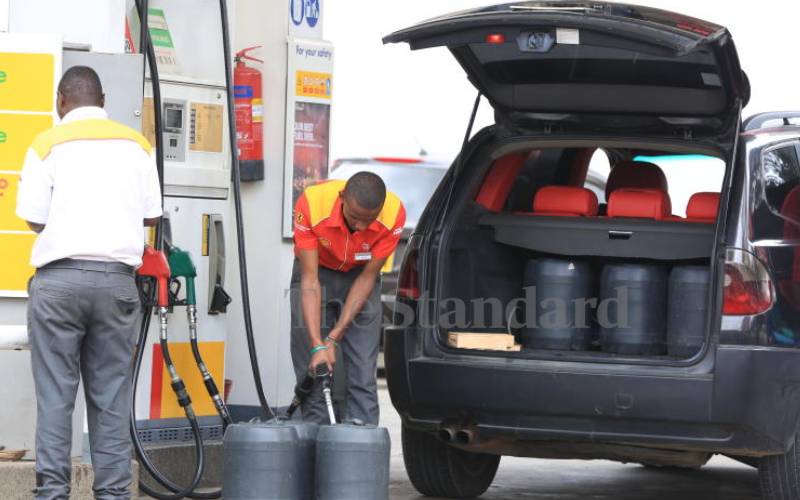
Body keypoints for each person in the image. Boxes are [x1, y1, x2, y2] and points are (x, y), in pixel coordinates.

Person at [15, 66, 162, 500]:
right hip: (117, 284)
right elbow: (152, 214)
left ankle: (53, 493)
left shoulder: (46, 144)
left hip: (58, 283)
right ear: (102, 103)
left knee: (57, 398)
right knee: (111, 398)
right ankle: (114, 495)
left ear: (62, 102)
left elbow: (34, 218)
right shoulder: (136, 144)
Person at [291, 172, 405, 425]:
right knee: (316, 370)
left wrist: (334, 337)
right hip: (317, 271)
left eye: (370, 220)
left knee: (363, 374)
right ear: (342, 198)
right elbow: (310, 280)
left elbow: (367, 278)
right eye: (355, 218)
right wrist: (319, 345)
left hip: (360, 277)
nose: (362, 227)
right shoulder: (312, 203)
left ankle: (360, 452)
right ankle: (316, 451)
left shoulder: (394, 212)